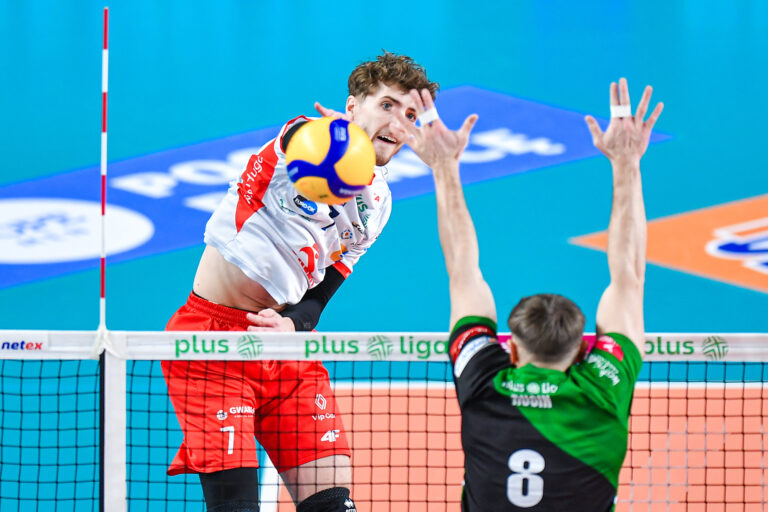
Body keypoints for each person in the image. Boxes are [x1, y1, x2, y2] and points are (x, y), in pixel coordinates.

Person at [161, 53, 441, 512]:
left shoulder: (379, 203)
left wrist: (294, 325)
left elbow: (326, 286)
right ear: (352, 107)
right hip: (214, 346)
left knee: (334, 507)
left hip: (284, 349)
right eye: (387, 105)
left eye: (410, 115)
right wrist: (332, 137)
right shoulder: (305, 143)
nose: (397, 122)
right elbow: (295, 139)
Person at [398, 79, 663, 510]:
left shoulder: (483, 383)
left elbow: (463, 271)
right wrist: (627, 163)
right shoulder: (603, 388)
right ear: (583, 353)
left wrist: (444, 167)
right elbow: (629, 276)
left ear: (513, 351)